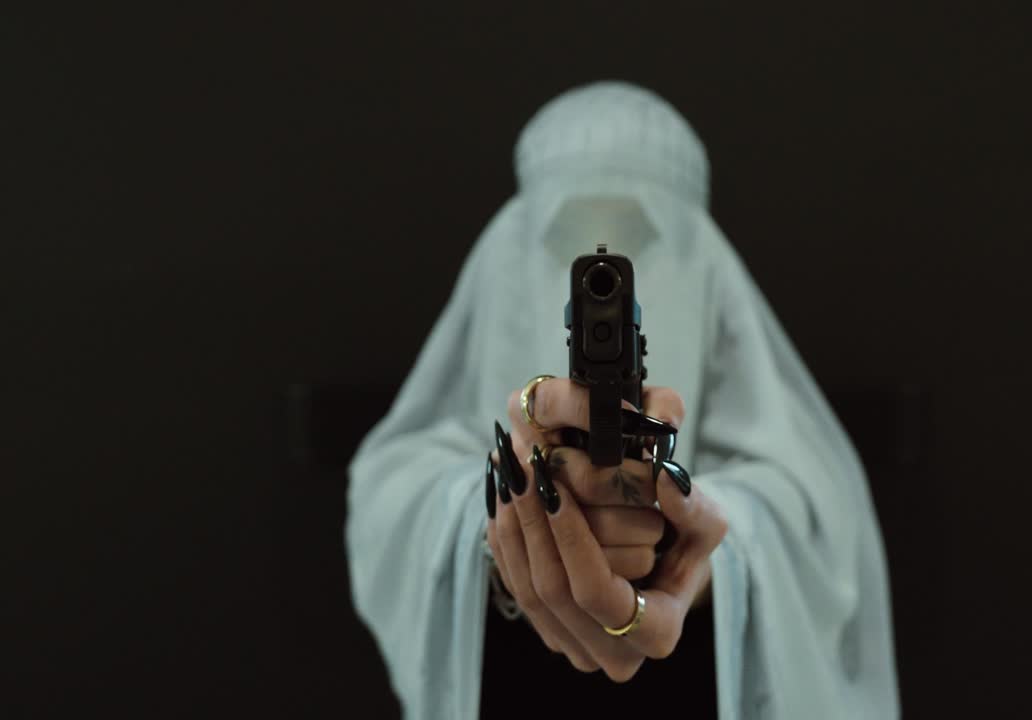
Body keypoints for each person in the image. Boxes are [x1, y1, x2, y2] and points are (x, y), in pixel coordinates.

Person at [346, 81, 900, 719]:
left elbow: (809, 518)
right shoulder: (420, 461)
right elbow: (394, 499)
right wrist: (502, 519)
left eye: (638, 235)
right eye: (567, 238)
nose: (601, 261)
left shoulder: (798, 474)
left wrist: (697, 545)